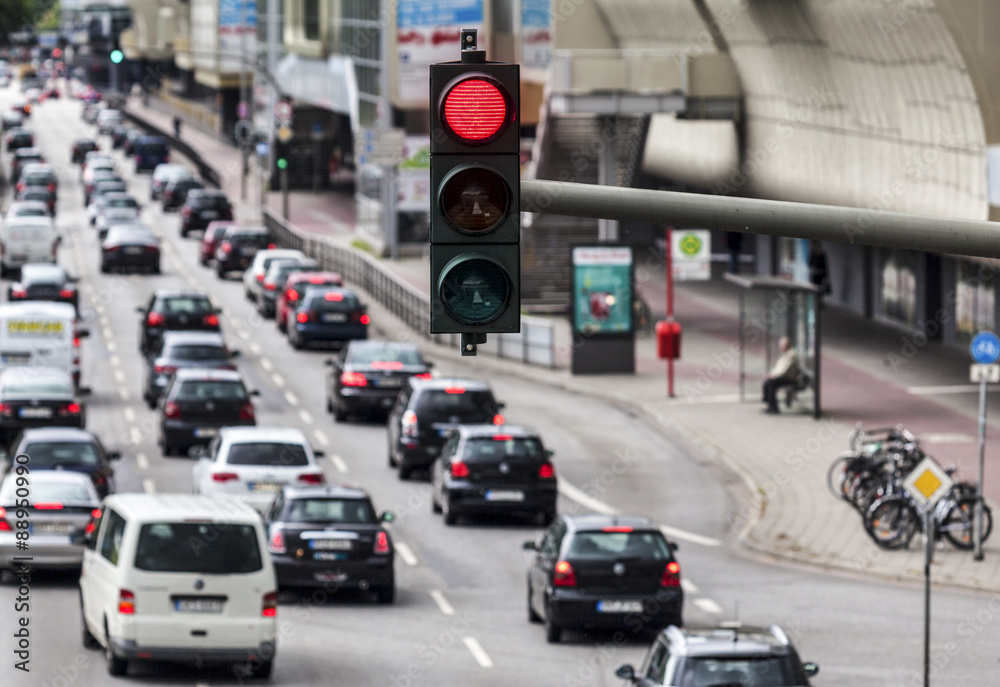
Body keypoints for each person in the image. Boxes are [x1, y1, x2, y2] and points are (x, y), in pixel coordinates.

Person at [762, 336, 800, 414]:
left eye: (782, 345)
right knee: (767, 382)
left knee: (770, 383)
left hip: (788, 378)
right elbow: (778, 368)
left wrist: (773, 376)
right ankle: (770, 404)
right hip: (783, 376)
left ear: (786, 345)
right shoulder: (786, 354)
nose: (781, 347)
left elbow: (785, 370)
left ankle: (773, 407)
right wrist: (771, 374)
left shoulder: (791, 355)